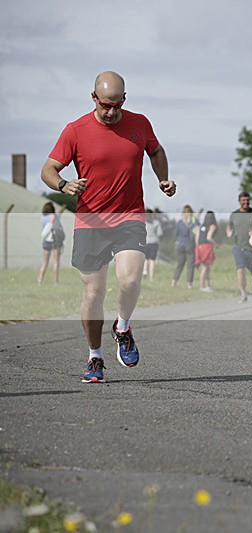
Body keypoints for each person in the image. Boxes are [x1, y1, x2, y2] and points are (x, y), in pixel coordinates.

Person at [40, 70, 176, 384]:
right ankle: (95, 357)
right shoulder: (75, 130)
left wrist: (162, 179)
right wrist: (63, 184)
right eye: (105, 105)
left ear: (124, 100)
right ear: (94, 99)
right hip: (91, 222)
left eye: (117, 105)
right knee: (94, 292)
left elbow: (155, 151)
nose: (111, 112)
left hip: (129, 216)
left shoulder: (139, 123)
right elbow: (48, 168)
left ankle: (123, 327)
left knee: (129, 280)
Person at [227, 192, 252, 303]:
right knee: (240, 269)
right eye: (243, 200)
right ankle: (243, 294)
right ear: (239, 201)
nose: (245, 202)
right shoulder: (234, 214)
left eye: (247, 200)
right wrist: (229, 232)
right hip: (238, 248)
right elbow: (229, 227)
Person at [38, 201, 64, 285]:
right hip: (54, 240)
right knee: (56, 262)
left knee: (45, 262)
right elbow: (58, 228)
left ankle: (40, 280)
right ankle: (56, 282)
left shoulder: (42, 217)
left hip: (46, 241)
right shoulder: (53, 216)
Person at [172, 204, 196, 288]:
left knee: (180, 264)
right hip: (189, 245)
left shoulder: (179, 222)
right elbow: (196, 232)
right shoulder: (193, 222)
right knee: (190, 266)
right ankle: (189, 284)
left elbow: (175, 233)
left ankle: (174, 281)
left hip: (180, 244)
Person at [195, 211, 217, 292]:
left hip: (200, 246)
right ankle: (202, 286)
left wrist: (197, 248)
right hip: (207, 246)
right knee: (205, 267)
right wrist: (216, 244)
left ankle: (208, 285)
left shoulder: (201, 226)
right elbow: (209, 237)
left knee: (206, 267)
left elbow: (197, 238)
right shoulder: (212, 226)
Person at [144, 208, 163, 282]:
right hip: (154, 243)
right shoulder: (156, 223)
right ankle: (151, 278)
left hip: (145, 242)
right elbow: (160, 233)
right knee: (152, 260)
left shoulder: (144, 222)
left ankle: (145, 270)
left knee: (145, 259)